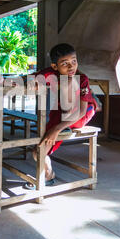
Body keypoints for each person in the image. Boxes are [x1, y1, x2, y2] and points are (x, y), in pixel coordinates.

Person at [25, 43, 99, 190]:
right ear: (55, 66)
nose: (71, 67)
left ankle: (45, 177)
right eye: (65, 64)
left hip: (81, 113)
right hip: (60, 113)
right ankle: (49, 174)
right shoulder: (50, 73)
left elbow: (82, 112)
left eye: (74, 61)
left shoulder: (81, 78)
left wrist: (57, 128)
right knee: (37, 153)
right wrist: (31, 82)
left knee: (71, 83)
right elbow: (27, 79)